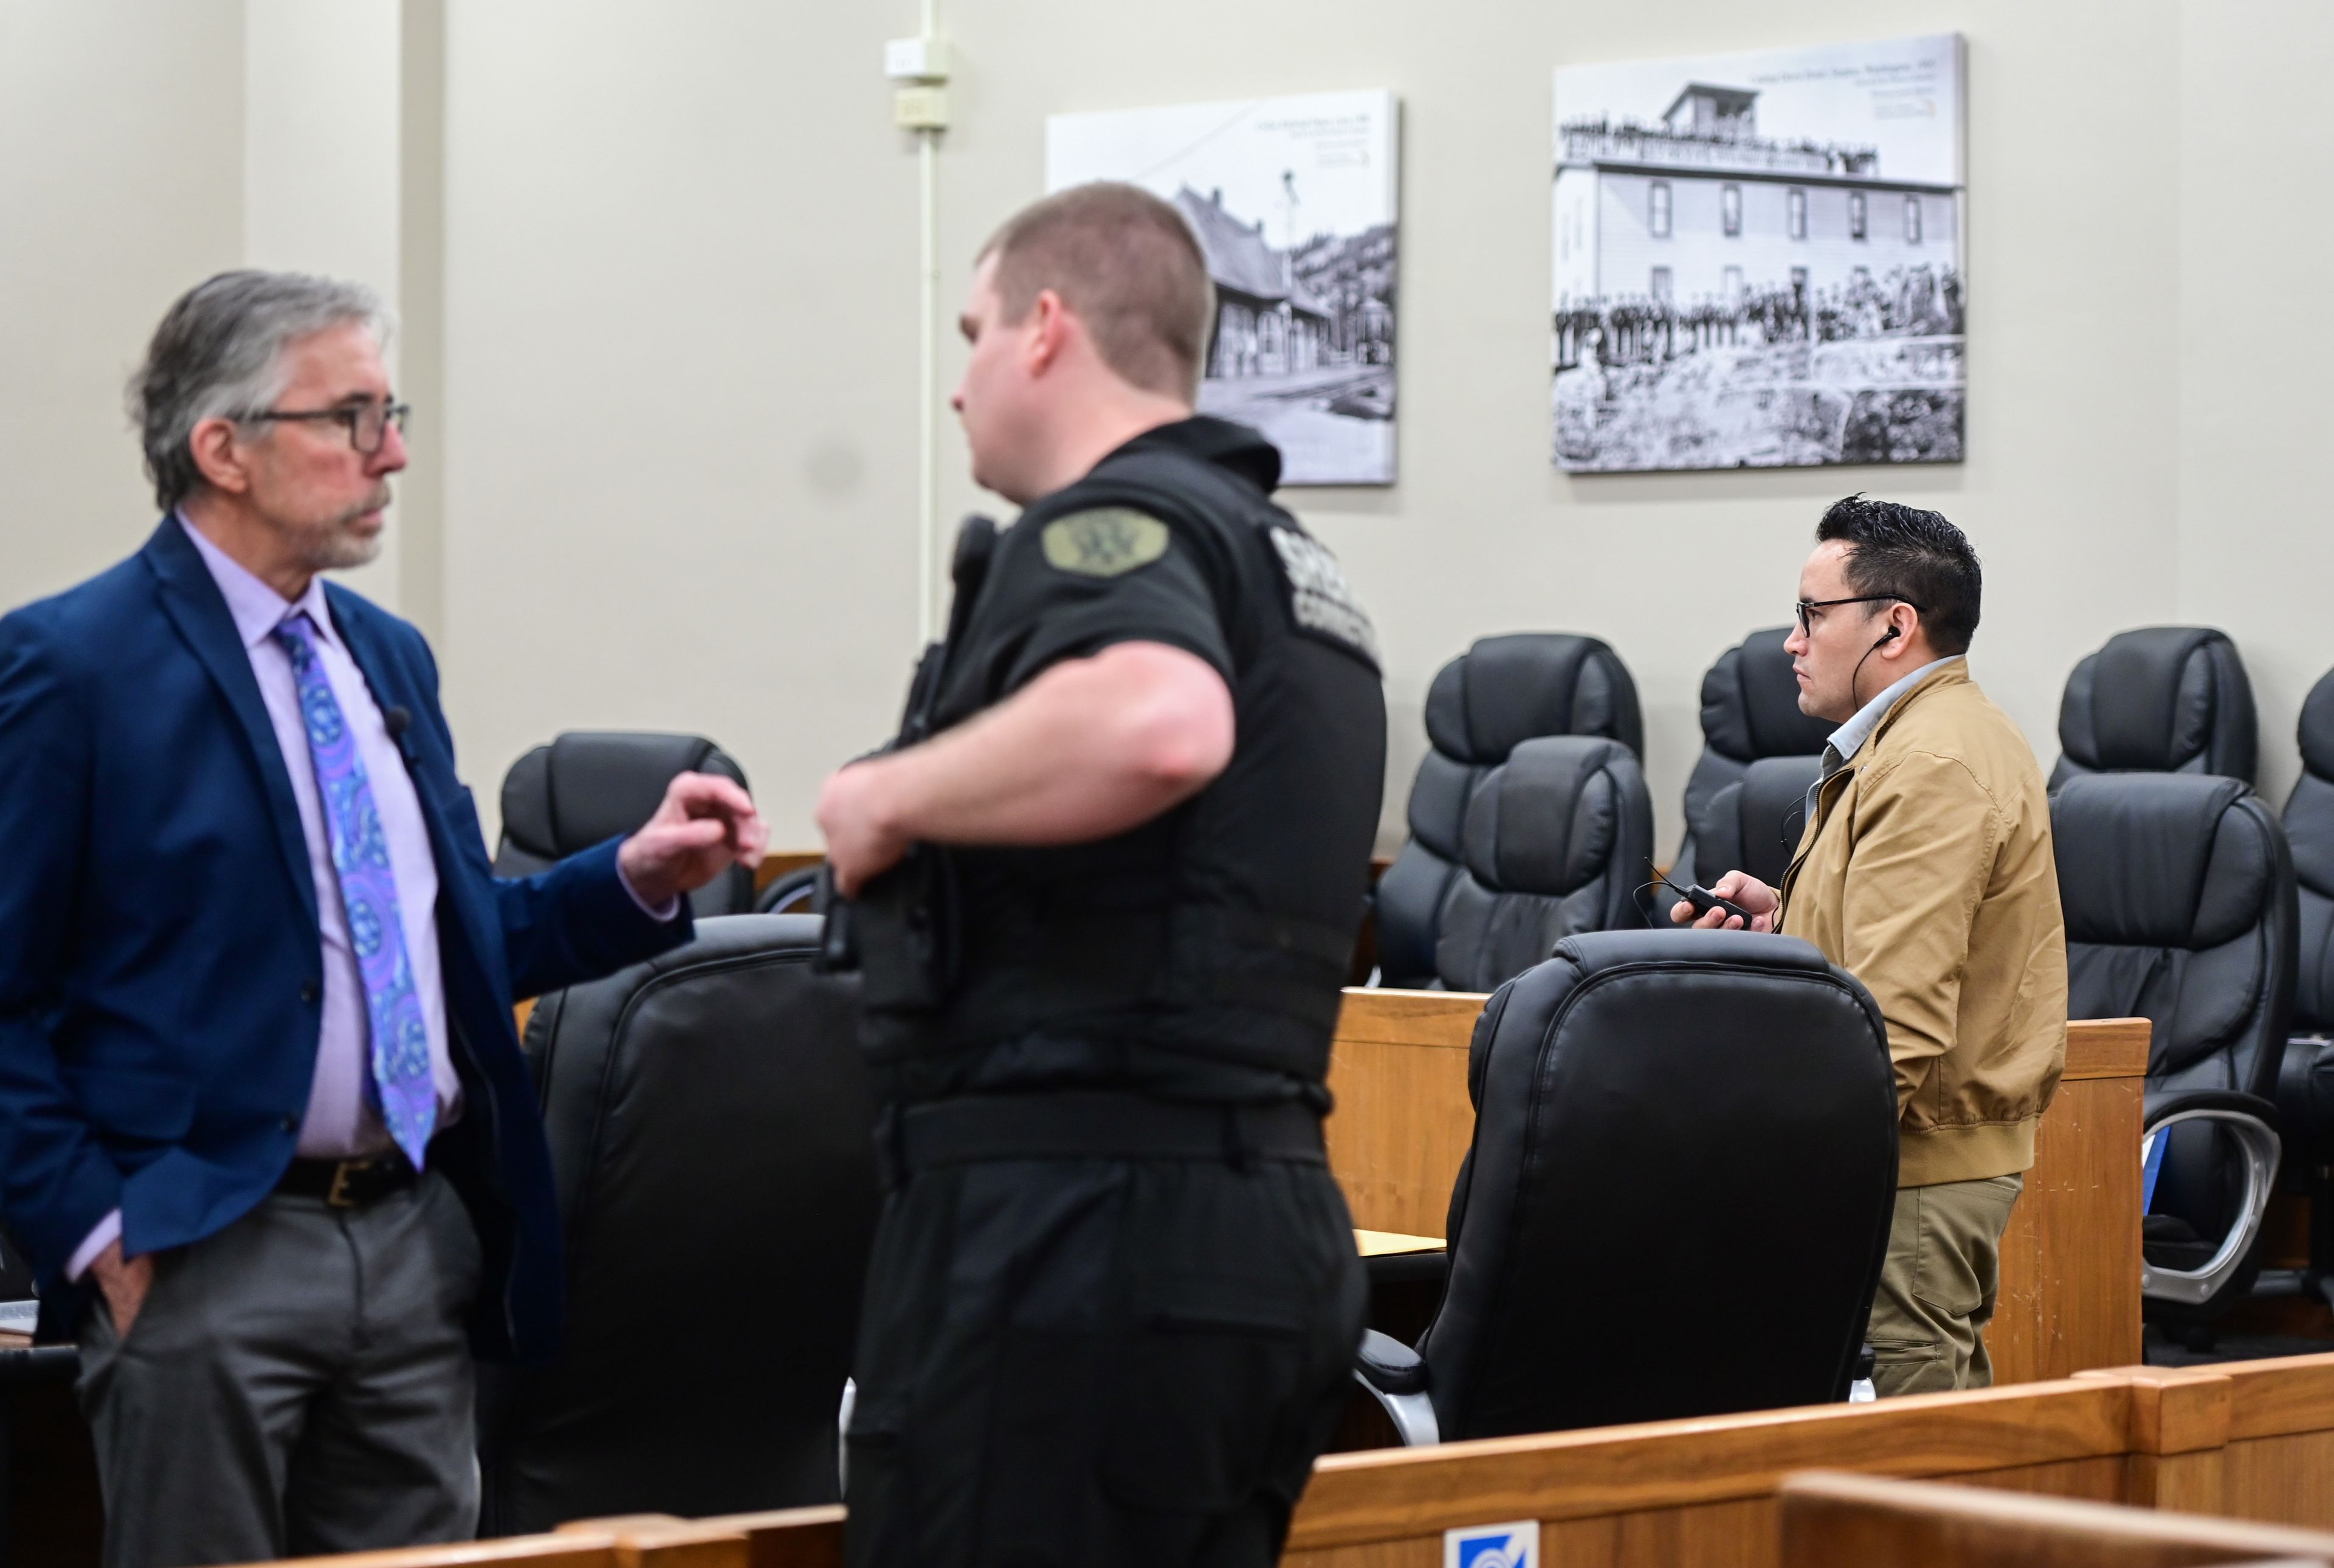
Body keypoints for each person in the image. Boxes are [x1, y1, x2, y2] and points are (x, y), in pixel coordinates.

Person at [0, 270, 766, 1567]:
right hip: (200, 1255)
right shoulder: (72, 667)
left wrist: (634, 874)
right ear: (223, 449)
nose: (392, 452)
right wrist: (98, 1238)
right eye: (351, 417)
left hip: (416, 1242)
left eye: (391, 411)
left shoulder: (386, 657)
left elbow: (444, 952)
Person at [815, 183, 1386, 1568]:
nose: (958, 389)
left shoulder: (1114, 523)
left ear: (1047, 329)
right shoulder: (1294, 568)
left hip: (1070, 1232)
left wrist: (875, 795)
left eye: (973, 334)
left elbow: (1156, 721)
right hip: (1255, 1226)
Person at [1673, 496, 2066, 1397]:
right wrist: (1789, 922)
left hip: (1912, 1169)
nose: (1791, 641)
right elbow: (1905, 954)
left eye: (1812, 614)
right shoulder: (1919, 742)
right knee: (1942, 1463)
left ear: (1895, 626)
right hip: (1909, 1158)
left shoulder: (1929, 764)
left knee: (1913, 1476)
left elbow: (1896, 1029)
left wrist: (1766, 1161)